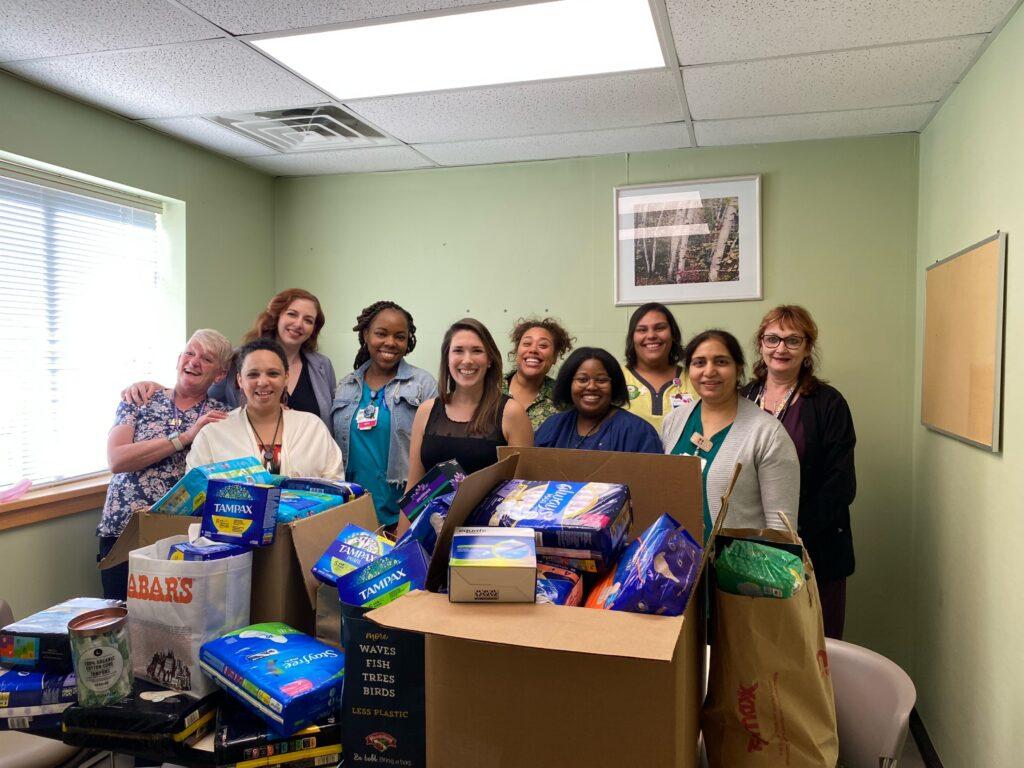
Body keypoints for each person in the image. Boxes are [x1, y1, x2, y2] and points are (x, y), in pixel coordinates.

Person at [741, 306, 856, 639]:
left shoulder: (828, 403)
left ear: (808, 348)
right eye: (773, 339)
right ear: (760, 344)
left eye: (793, 340)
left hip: (813, 546)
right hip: (751, 548)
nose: (781, 348)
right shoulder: (741, 398)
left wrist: (791, 533)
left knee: (814, 641)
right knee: (758, 642)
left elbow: (841, 483)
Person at [99, 330, 232, 600]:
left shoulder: (220, 416)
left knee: (173, 622)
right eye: (190, 353)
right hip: (122, 530)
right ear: (178, 358)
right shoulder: (139, 399)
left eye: (206, 359)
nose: (194, 362)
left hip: (180, 537)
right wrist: (184, 438)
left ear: (219, 374)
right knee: (120, 617)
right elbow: (117, 459)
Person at [121, 288, 337, 425]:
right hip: (251, 464)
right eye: (292, 314)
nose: (299, 324)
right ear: (277, 316)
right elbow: (199, 394)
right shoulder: (237, 360)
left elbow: (330, 420)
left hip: (307, 471)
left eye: (308, 320)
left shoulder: (321, 366)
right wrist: (157, 388)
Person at [661, 329, 799, 541]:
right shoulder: (674, 421)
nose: (709, 371)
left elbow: (781, 528)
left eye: (721, 362)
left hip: (739, 569)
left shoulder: (768, 434)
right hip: (675, 562)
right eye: (699, 363)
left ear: (738, 368)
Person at [332, 301, 438, 527]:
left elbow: (435, 454)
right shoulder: (346, 386)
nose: (390, 342)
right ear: (366, 335)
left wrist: (411, 516)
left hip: (404, 513)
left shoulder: (423, 385)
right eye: (381, 334)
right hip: (351, 510)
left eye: (399, 336)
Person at [187, 337, 344, 479]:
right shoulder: (214, 433)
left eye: (273, 374)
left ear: (286, 378)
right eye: (253, 375)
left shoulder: (312, 427)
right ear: (240, 380)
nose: (262, 382)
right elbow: (195, 491)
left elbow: (335, 482)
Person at [407, 318, 533, 485]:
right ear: (447, 358)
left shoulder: (511, 413)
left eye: (477, 351)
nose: (467, 360)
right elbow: (413, 489)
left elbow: (521, 490)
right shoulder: (426, 411)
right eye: (458, 350)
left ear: (490, 360)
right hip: (433, 513)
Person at [535, 347, 662, 453]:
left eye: (601, 380)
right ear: (568, 384)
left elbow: (652, 480)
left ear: (614, 385)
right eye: (582, 380)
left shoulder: (638, 431)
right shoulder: (552, 426)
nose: (591, 387)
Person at [622, 302, 697, 433]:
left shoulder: (695, 377)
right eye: (642, 330)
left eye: (659, 328)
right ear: (632, 338)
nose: (651, 336)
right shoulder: (616, 378)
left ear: (673, 334)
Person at [501, 317, 575, 429]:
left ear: (555, 357)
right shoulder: (490, 388)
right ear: (517, 351)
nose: (533, 350)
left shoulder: (564, 398)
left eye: (543, 345)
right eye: (527, 343)